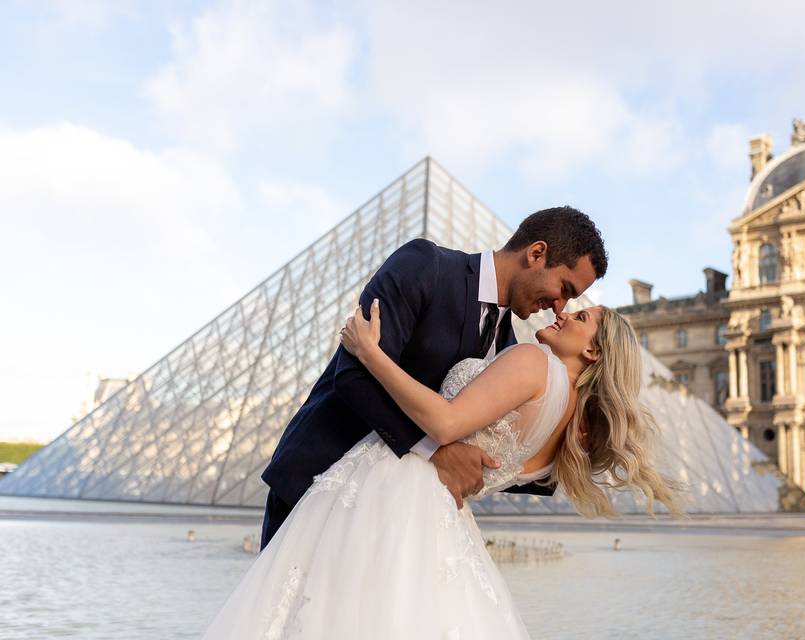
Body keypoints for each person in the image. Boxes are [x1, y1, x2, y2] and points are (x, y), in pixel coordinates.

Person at [202, 299, 683, 639]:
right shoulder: (570, 427)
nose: (562, 311)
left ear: (593, 352)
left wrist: (369, 353)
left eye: (579, 317)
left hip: (391, 488)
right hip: (445, 522)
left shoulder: (536, 362)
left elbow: (445, 421)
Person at [258, 206, 607, 550]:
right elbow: (352, 375)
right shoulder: (426, 266)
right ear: (536, 253)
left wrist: (584, 432)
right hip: (320, 479)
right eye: (565, 288)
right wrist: (435, 450)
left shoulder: (510, 346)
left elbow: (501, 455)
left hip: (393, 516)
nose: (560, 306)